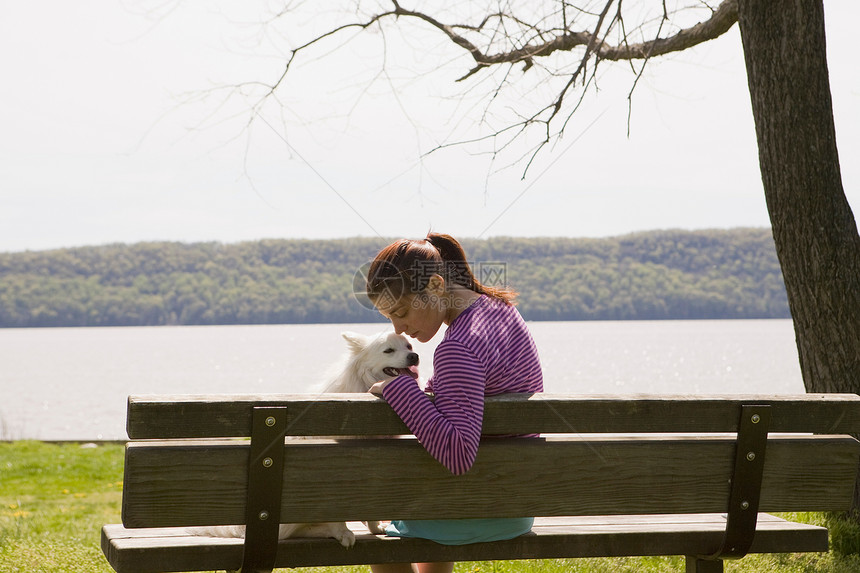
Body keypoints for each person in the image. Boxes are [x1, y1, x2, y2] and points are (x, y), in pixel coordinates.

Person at [364, 233, 544, 573]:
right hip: (517, 502)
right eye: (389, 317)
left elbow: (458, 455)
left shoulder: (457, 347)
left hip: (477, 509)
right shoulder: (501, 310)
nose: (398, 327)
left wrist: (398, 389)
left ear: (435, 285)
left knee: (381, 540)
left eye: (401, 312)